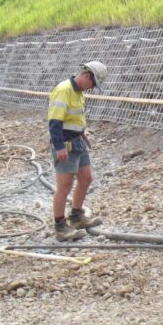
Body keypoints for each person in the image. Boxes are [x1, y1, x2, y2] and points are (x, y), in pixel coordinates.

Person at [48, 61, 108, 241]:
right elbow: (54, 121)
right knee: (64, 185)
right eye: (92, 84)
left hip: (78, 141)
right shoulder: (64, 89)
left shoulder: (79, 92)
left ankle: (76, 215)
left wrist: (82, 131)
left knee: (86, 177)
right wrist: (59, 146)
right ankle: (60, 226)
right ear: (87, 76)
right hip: (65, 143)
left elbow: (74, 117)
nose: (91, 88)